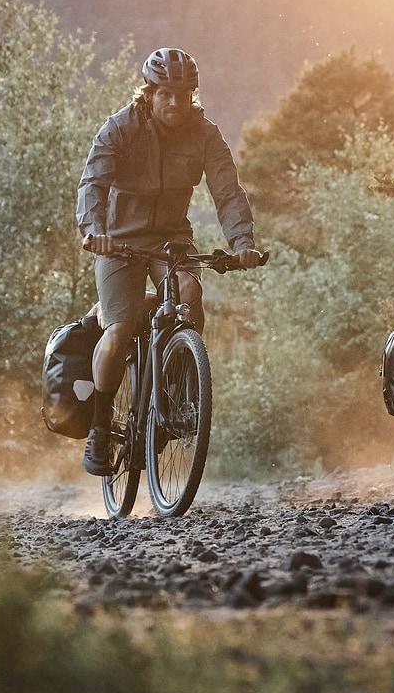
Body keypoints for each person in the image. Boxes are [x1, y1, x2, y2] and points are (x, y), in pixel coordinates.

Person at [75, 46, 264, 476]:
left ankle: (175, 396)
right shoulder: (120, 129)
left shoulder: (204, 134)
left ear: (193, 95)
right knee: (120, 328)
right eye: (166, 94)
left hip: (171, 238)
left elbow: (228, 192)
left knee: (191, 293)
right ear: (150, 93)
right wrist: (93, 230)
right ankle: (101, 427)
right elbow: (93, 182)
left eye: (183, 94)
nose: (175, 102)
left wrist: (242, 241)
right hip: (118, 241)